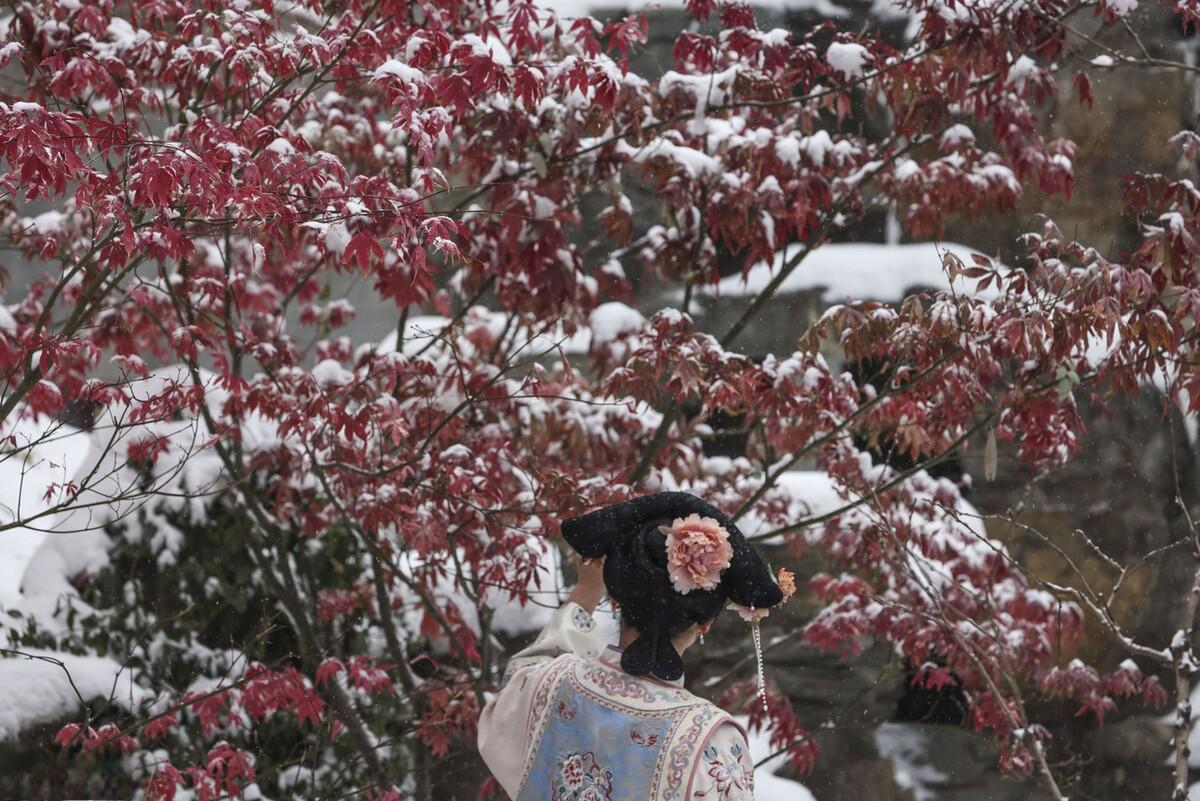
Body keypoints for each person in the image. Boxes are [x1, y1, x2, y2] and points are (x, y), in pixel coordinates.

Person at [478, 491, 793, 801]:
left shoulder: (545, 687)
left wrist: (584, 594)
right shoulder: (709, 743)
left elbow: (513, 690)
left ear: (616, 600)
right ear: (704, 625)